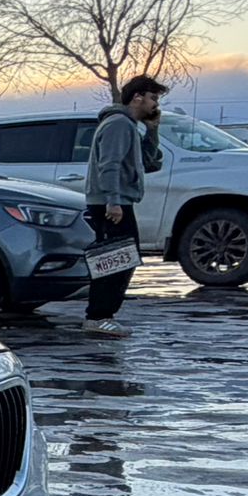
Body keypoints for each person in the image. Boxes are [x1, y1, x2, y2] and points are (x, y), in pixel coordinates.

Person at [83, 75, 166, 336]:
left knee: (123, 259)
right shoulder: (118, 124)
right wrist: (113, 200)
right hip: (110, 204)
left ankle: (103, 315)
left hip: (118, 202)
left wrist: (152, 130)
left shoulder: (130, 126)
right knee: (114, 261)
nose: (155, 104)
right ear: (137, 97)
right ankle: (98, 316)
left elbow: (151, 162)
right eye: (153, 98)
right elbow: (110, 165)